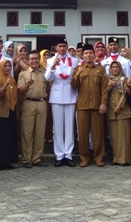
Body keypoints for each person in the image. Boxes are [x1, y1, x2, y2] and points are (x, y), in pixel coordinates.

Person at [71, 44, 108, 167]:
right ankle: (84, 157)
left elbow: (104, 88)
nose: (88, 55)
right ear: (83, 55)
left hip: (97, 106)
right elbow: (73, 86)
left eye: (90, 53)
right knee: (83, 133)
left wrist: (103, 103)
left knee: (98, 134)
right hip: (82, 105)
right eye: (86, 53)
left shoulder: (100, 69)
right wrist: (77, 74)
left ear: (94, 54)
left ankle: (98, 157)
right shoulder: (78, 68)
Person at [45, 37, 79, 167]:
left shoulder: (75, 61)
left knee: (69, 127)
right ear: (56, 48)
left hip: (70, 94)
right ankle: (59, 155)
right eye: (60, 46)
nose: (62, 48)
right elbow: (48, 78)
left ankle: (68, 155)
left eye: (64, 46)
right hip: (57, 95)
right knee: (58, 127)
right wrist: (53, 66)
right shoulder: (50, 60)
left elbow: (76, 78)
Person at [18, 50, 48, 168]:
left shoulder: (44, 73)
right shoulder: (24, 73)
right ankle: (26, 159)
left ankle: (37, 158)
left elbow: (49, 87)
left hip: (41, 103)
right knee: (27, 132)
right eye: (32, 59)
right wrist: (28, 84)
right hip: (28, 103)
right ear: (28, 60)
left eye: (36, 58)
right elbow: (20, 90)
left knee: (40, 132)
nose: (34, 61)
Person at [0, 59, 19, 170]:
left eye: (9, 66)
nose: (8, 68)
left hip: (11, 111)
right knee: (2, 137)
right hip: (2, 113)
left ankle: (8, 160)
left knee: (10, 137)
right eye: (5, 66)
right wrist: (5, 86)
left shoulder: (12, 79)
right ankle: (1, 161)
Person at [106, 61, 131, 166]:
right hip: (112, 112)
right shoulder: (108, 80)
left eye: (117, 67)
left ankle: (124, 159)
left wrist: (120, 106)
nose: (115, 69)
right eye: (113, 67)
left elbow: (128, 95)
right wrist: (109, 87)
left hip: (123, 111)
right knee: (115, 137)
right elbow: (104, 94)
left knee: (124, 136)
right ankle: (116, 158)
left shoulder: (124, 80)